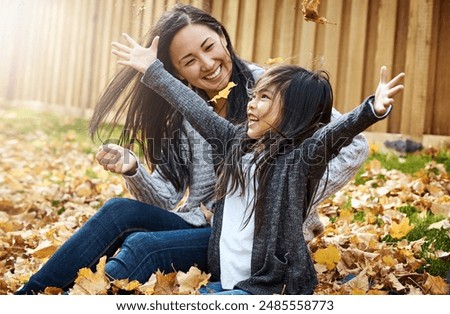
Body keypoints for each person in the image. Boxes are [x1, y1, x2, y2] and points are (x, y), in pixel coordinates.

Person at [15, 4, 367, 295]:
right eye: (189, 60)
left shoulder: (272, 89)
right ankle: (29, 297)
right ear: (178, 73)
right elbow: (167, 199)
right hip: (206, 227)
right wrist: (133, 169)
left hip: (256, 243)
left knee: (141, 246)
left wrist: (276, 196)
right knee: (118, 212)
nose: (208, 63)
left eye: (209, 46)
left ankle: (88, 299)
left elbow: (354, 145)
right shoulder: (186, 116)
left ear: (223, 40)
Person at [114, 33, 405, 294]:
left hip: (268, 288)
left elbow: (333, 134)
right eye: (254, 95)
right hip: (225, 282)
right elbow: (194, 109)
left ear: (293, 112)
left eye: (264, 97)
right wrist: (154, 70)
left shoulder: (298, 161)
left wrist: (370, 111)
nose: (251, 103)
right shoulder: (233, 142)